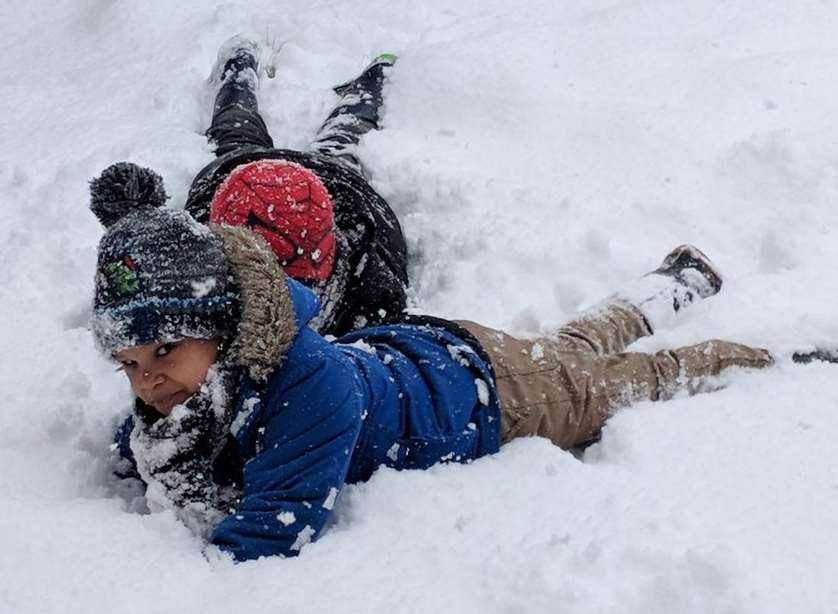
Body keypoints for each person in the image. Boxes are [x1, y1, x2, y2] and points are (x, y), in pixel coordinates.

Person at [92, 163, 774, 562]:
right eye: (126, 363)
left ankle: (770, 361)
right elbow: (148, 442)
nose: (147, 380)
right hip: (427, 354)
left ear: (221, 327)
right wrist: (152, 439)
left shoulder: (311, 389)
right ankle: (678, 283)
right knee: (575, 352)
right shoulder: (205, 369)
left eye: (161, 353)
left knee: (624, 383)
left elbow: (274, 530)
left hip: (490, 396)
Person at [184, 35, 408, 336]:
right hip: (251, 174)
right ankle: (241, 65)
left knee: (239, 125)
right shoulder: (369, 284)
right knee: (337, 138)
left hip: (330, 184)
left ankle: (240, 66)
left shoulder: (370, 285)